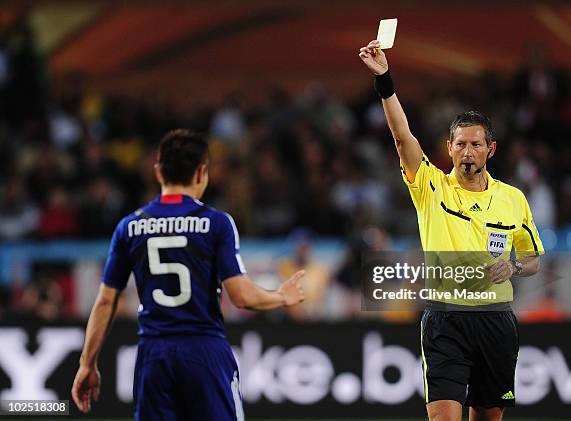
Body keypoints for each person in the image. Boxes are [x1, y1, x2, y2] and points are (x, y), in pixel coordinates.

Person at [359, 40, 544, 421]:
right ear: (450, 147)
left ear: (490, 150)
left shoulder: (513, 200)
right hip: (445, 319)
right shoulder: (431, 187)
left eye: (476, 144)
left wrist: (514, 268)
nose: (467, 152)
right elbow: (402, 137)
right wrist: (385, 82)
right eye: (460, 144)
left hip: (495, 320)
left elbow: (532, 258)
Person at [71, 129, 305, 420]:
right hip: (204, 351)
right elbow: (242, 297)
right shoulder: (216, 223)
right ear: (201, 173)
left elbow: (106, 302)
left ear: (158, 172)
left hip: (154, 356)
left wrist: (86, 363)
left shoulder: (129, 227)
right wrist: (281, 296)